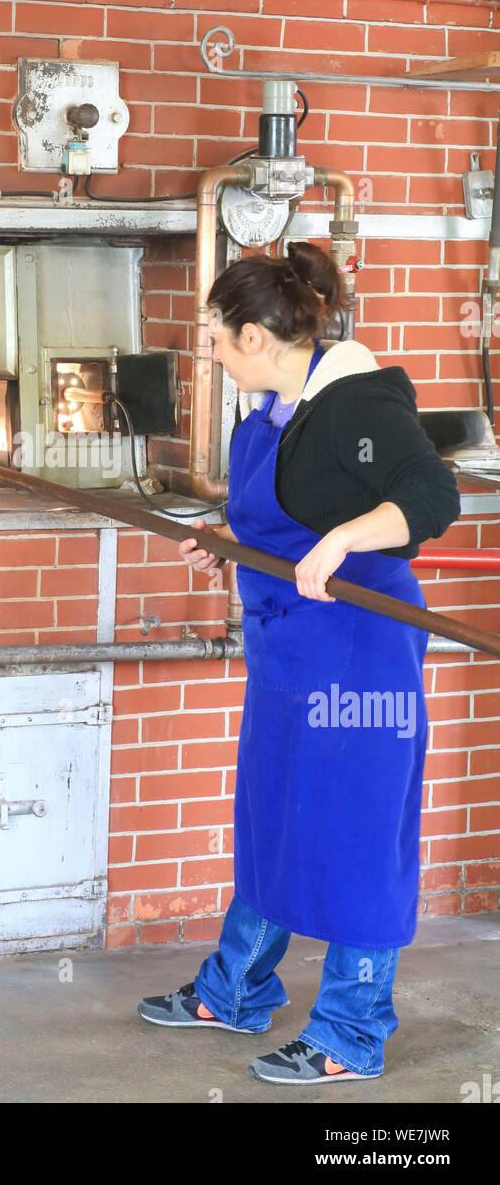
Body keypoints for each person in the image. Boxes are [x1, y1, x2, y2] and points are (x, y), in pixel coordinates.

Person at [138, 241, 461, 1084]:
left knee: (355, 835)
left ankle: (351, 1033)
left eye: (213, 334)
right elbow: (285, 515)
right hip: (288, 650)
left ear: (255, 336)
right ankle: (235, 989)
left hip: (361, 650)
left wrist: (347, 540)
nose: (204, 350)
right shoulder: (266, 411)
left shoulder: (356, 406)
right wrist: (232, 547)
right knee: (272, 818)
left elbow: (431, 497)